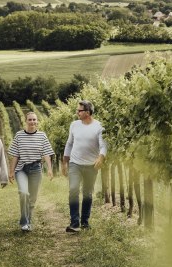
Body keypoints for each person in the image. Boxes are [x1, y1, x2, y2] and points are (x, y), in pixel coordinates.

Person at [62, 100, 107, 233]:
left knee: (87, 193)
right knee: (73, 190)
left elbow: (103, 145)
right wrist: (65, 162)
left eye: (79, 111)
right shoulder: (74, 125)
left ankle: (85, 222)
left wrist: (101, 157)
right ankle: (74, 223)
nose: (77, 112)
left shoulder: (99, 126)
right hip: (75, 164)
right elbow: (69, 143)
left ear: (87, 112)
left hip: (91, 166)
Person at [8, 111, 54, 232]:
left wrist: (49, 169)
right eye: (30, 119)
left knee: (32, 199)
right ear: (26, 121)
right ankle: (24, 222)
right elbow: (15, 155)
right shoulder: (19, 135)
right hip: (21, 169)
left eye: (34, 119)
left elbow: (47, 154)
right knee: (23, 193)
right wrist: (11, 171)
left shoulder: (42, 136)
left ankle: (29, 221)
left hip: (36, 169)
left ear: (37, 121)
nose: (32, 122)